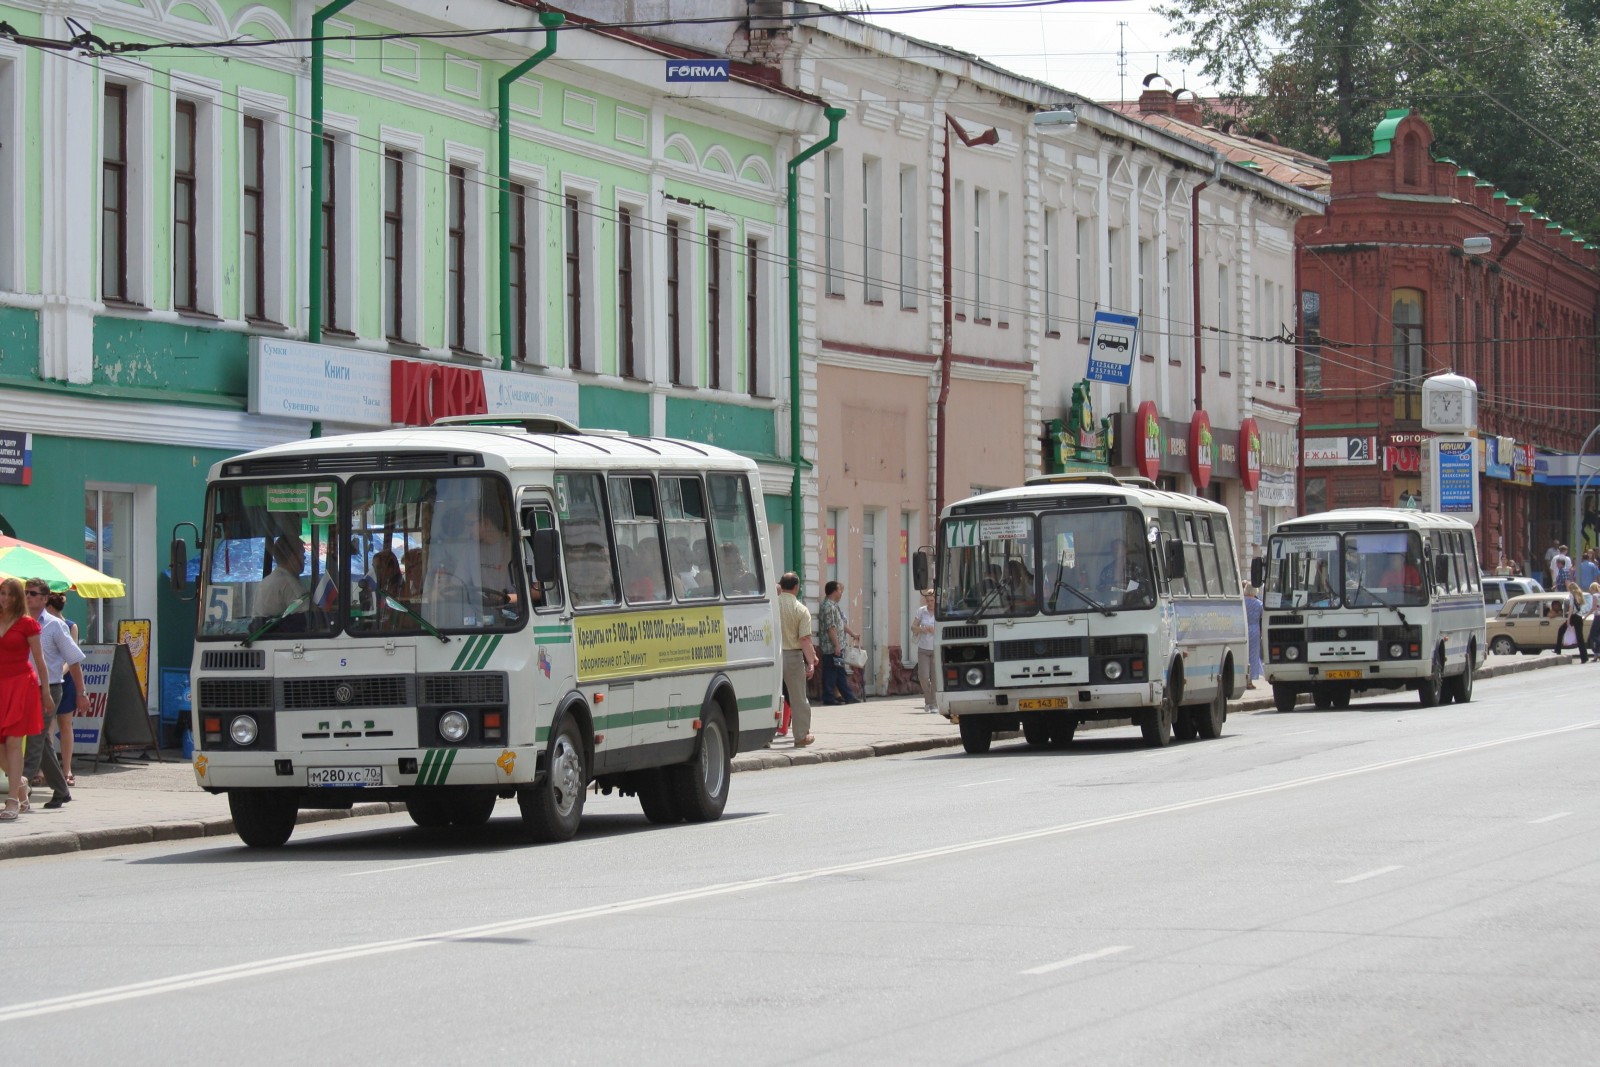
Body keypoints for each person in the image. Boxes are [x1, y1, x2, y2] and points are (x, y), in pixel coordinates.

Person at [22, 578, 80, 804]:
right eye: (26, 592)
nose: (28, 596)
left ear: (45, 599)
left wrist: (82, 692)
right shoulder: (20, 622)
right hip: (24, 688)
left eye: (33, 593)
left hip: (50, 688)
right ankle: (61, 790)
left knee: (36, 737)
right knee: (42, 741)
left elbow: (73, 659)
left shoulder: (55, 625)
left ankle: (21, 788)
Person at [0, 578, 52, 821]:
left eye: (11, 594)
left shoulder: (27, 623)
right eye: (2, 593)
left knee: (12, 742)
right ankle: (20, 782)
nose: (6, 598)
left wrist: (46, 693)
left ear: (18, 597)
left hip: (21, 685)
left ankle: (12, 801)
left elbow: (40, 661)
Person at [777, 573, 818, 748]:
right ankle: (801, 736)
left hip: (772, 655)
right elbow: (805, 640)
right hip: (793, 657)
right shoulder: (801, 610)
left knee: (771, 697)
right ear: (796, 587)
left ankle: (765, 737)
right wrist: (811, 661)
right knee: (798, 698)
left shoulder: (771, 605)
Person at [44, 591, 81, 773]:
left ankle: (67, 769)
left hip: (65, 680)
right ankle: (45, 769)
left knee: (65, 723)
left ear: (49, 607)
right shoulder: (42, 626)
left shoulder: (70, 626)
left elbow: (71, 657)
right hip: (48, 679)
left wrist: (61, 672)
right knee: (48, 725)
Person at [817, 580, 860, 705]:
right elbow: (831, 627)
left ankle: (847, 696)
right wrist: (836, 645)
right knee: (831, 672)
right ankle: (829, 697)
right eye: (840, 590)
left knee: (839, 671)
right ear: (834, 591)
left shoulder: (834, 606)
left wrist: (852, 634)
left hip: (837, 646)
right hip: (831, 647)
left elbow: (841, 624)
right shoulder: (828, 607)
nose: (841, 593)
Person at [257, 534, 307, 617]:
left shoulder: (264, 582)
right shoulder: (290, 585)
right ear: (293, 558)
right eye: (302, 554)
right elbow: (308, 617)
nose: (304, 558)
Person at [913, 588, 938, 713]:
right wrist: (922, 628)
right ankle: (928, 701)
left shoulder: (940, 612)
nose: (930, 603)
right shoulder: (921, 611)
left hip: (936, 649)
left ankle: (933, 704)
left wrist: (935, 630)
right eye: (928, 600)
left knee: (935, 678)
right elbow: (913, 627)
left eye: (932, 600)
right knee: (923, 676)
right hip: (923, 648)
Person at [1558, 581, 1590, 662]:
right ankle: (1584, 658)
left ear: (1570, 588)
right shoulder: (1580, 594)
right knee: (1580, 638)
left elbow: (1571, 608)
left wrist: (1568, 619)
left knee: (1561, 630)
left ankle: (1557, 650)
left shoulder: (1572, 595)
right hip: (1579, 617)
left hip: (1573, 617)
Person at [1244, 583, 1264, 683]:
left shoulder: (1242, 602)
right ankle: (1250, 680)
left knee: (1243, 654)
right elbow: (1263, 618)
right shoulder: (1259, 604)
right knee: (1253, 655)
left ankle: (1243, 677)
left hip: (1243, 628)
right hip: (1255, 629)